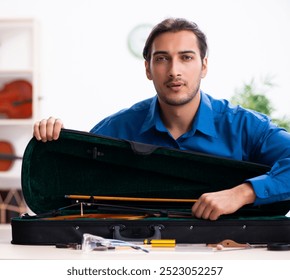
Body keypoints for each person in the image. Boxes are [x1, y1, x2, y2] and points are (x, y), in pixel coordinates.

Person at [33, 17, 290, 220]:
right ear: (148, 69)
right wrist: (58, 141)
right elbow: (74, 183)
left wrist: (243, 193)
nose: (174, 71)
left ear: (204, 66)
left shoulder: (244, 126)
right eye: (162, 59)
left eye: (186, 57)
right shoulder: (117, 127)